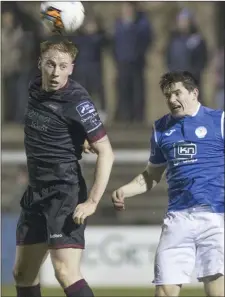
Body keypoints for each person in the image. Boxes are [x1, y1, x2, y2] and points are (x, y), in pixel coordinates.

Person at [13, 38, 114, 297]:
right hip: (36, 191)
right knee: (23, 274)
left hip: (64, 192)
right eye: (50, 64)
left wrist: (92, 201)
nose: (56, 72)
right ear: (40, 64)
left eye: (63, 66)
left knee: (65, 271)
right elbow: (54, 128)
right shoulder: (34, 87)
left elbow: (106, 152)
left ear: (72, 68)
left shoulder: (77, 101)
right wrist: (76, 141)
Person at [111, 71, 224, 297]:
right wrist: (125, 190)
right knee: (163, 291)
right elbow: (152, 175)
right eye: (167, 95)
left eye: (177, 93)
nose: (172, 100)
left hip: (215, 217)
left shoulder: (219, 121)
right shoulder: (161, 128)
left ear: (194, 93)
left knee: (216, 290)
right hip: (178, 218)